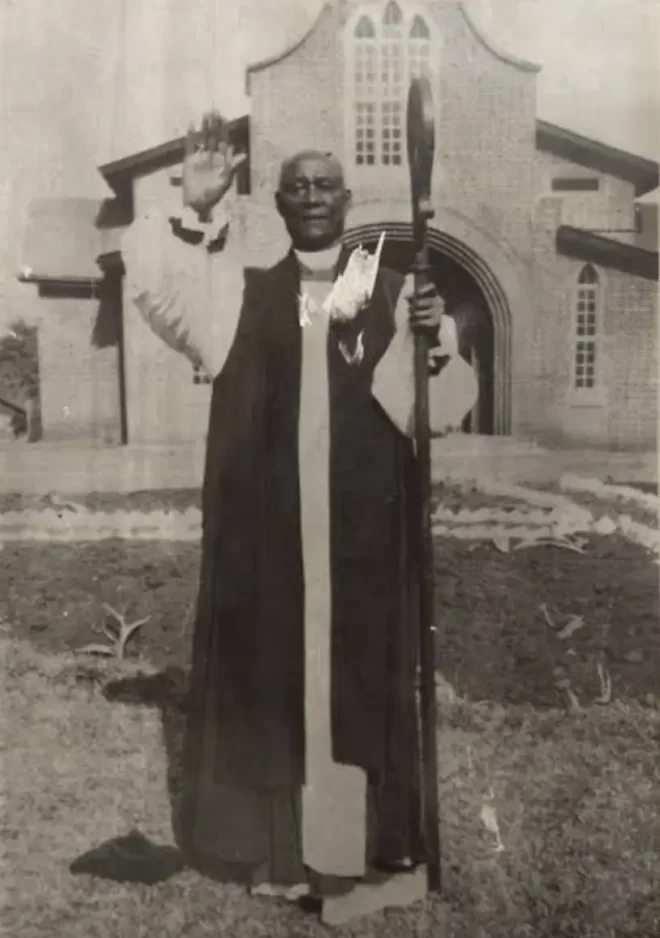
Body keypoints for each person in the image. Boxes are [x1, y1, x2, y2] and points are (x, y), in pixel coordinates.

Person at [121, 119, 477, 922]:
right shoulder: (244, 293)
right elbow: (163, 302)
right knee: (280, 689)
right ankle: (283, 858)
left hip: (358, 544)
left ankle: (358, 857)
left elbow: (439, 410)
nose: (313, 196)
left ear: (348, 201)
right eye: (297, 186)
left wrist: (433, 344)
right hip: (272, 544)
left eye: (326, 185)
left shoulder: (385, 292)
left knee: (356, 688)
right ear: (277, 203)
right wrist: (198, 208)